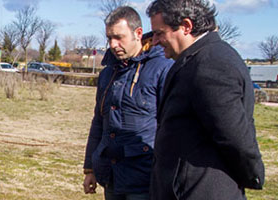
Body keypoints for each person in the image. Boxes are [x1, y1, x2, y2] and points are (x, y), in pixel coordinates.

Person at [146, 0, 265, 199]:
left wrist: (253, 175)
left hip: (201, 191)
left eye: (160, 33)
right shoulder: (196, 59)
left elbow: (234, 136)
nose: (155, 41)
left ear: (186, 26)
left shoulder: (212, 63)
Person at [82, 6, 173, 200]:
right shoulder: (108, 73)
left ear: (138, 33)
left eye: (119, 37)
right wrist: (89, 168)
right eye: (109, 38)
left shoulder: (162, 68)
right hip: (112, 177)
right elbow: (99, 121)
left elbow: (172, 127)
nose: (113, 44)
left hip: (145, 179)